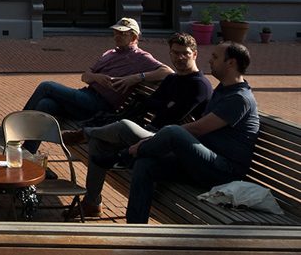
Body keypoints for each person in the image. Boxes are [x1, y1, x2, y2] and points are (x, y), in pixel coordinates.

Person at [60, 33, 213, 219]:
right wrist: (163, 103)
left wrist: (163, 105)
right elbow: (153, 104)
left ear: (195, 54)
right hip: (152, 133)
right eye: (175, 53)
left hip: (171, 144)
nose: (179, 58)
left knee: (123, 126)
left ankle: (84, 134)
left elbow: (172, 116)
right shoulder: (172, 80)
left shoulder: (200, 85)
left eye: (185, 54)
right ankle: (91, 203)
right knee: (99, 143)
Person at [124, 42, 260, 224]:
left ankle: (122, 156)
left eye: (215, 57)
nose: (210, 61)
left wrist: (147, 143)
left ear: (231, 63)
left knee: (173, 131)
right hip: (204, 163)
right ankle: (135, 228)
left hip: (223, 171)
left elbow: (198, 128)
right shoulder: (223, 90)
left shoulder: (239, 98)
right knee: (145, 164)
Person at [21, 17, 173, 152]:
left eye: (122, 33)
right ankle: (28, 153)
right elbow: (85, 76)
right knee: (45, 105)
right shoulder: (110, 53)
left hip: (100, 105)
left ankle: (17, 126)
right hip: (85, 97)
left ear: (134, 36)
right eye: (116, 32)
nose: (117, 36)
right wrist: (96, 77)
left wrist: (137, 78)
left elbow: (168, 71)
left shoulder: (141, 57)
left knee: (46, 86)